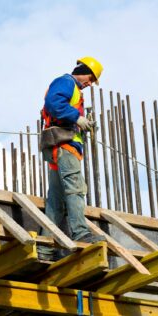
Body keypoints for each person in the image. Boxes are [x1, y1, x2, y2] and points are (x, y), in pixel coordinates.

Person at [38, 57, 105, 261]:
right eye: (90, 78)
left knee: (56, 202)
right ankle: (81, 233)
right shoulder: (67, 82)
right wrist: (77, 118)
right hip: (65, 147)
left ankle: (45, 249)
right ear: (82, 70)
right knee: (76, 189)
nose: (90, 83)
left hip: (59, 148)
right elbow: (53, 103)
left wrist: (83, 124)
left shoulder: (73, 89)